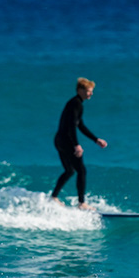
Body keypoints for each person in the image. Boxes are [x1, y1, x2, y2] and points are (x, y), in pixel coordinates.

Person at [51, 77, 108, 210]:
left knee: (70, 171)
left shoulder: (75, 103)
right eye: (88, 91)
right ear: (80, 90)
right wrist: (76, 145)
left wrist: (96, 139)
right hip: (66, 141)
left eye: (92, 91)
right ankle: (81, 203)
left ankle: (53, 197)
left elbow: (80, 125)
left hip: (60, 140)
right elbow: (71, 126)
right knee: (81, 170)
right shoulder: (76, 104)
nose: (91, 93)